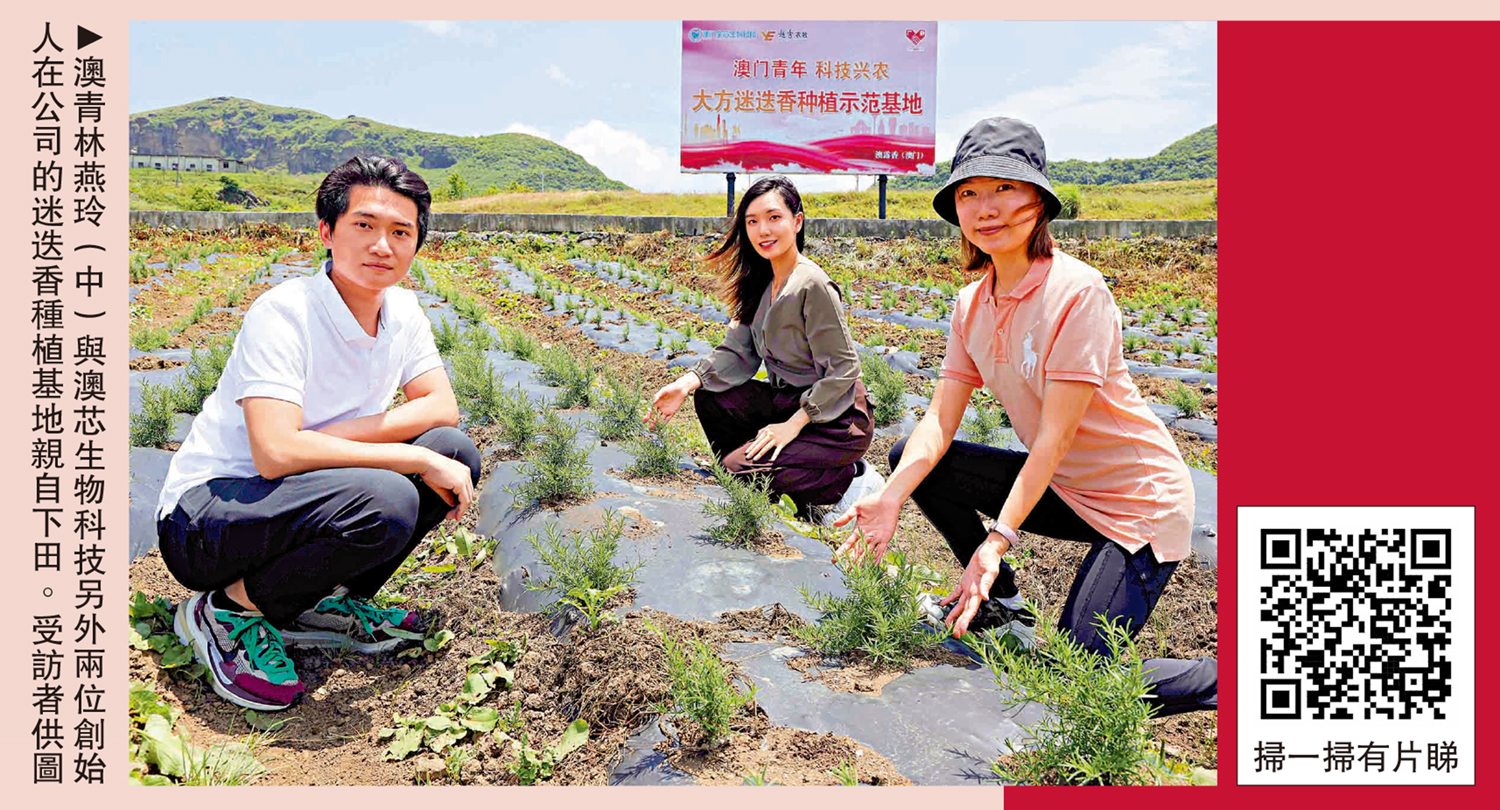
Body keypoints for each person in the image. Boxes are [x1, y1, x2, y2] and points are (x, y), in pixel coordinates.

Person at [834, 118, 1216, 716]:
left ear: (1038, 199)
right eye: (968, 193)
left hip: (1138, 502)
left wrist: (997, 539)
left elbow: (1056, 439)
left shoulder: (1076, 292)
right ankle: (1001, 605)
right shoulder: (971, 303)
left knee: (1073, 679)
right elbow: (940, 420)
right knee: (908, 458)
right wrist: (891, 499)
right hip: (1068, 490)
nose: (986, 208)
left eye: (1004, 189)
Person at [157, 155, 480, 711]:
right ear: (327, 232)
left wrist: (334, 434)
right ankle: (227, 612)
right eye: (365, 225)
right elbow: (277, 452)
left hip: (295, 495)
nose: (382, 245)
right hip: (208, 516)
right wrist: (410, 460)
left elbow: (441, 406)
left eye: (400, 232)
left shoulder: (402, 311)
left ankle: (324, 599)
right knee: (393, 493)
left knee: (454, 451)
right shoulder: (286, 312)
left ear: (417, 245)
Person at [645, 175, 882, 520]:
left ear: (797, 221)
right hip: (786, 401)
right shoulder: (762, 283)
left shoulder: (811, 284)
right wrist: (686, 383)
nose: (762, 230)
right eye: (752, 221)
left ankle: (849, 481)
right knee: (712, 396)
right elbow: (736, 351)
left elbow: (844, 369)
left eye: (774, 218)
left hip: (836, 417)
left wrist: (793, 425)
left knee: (736, 470)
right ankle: (776, 471)